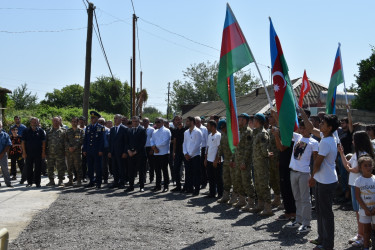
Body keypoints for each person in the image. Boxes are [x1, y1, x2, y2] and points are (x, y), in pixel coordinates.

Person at [302, 110, 340, 250]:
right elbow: (311, 128)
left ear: (329, 128)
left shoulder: (327, 141)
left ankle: (328, 244)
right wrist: (303, 114)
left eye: (323, 123)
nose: (320, 124)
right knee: (319, 210)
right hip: (323, 179)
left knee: (326, 213)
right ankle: (321, 238)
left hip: (326, 181)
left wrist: (312, 177)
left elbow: (318, 162)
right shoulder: (328, 136)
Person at [338, 130, 375, 247]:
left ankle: (362, 236)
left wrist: (347, 165)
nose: (352, 141)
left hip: (359, 185)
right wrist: (342, 153)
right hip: (355, 184)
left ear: (358, 141)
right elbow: (347, 165)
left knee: (360, 212)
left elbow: (352, 169)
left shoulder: (362, 154)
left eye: (354, 139)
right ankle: (361, 234)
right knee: (358, 211)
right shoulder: (357, 153)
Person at [284, 118, 318, 233]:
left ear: (310, 130)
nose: (302, 130)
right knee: (297, 198)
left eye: (304, 128)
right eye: (301, 128)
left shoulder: (314, 142)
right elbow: (284, 128)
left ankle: (307, 223)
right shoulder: (298, 137)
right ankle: (298, 220)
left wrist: (313, 176)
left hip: (304, 173)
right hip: (293, 171)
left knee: (305, 199)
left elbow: (316, 160)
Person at [271, 110, 296, 221]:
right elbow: (281, 126)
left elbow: (281, 147)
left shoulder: (290, 136)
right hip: (284, 164)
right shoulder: (288, 132)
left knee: (287, 189)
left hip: (288, 166)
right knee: (284, 189)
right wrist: (276, 116)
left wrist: (276, 136)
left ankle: (291, 212)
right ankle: (289, 211)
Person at [250, 113, 273, 216]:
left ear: (258, 121)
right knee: (258, 185)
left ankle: (268, 208)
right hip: (256, 163)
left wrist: (267, 154)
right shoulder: (255, 133)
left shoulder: (262, 134)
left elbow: (264, 150)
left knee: (264, 185)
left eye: (254, 120)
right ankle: (260, 204)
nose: (252, 122)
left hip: (262, 163)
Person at [233, 113, 255, 211]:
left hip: (244, 161)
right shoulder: (239, 132)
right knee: (238, 181)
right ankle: (242, 200)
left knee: (246, 181)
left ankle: (251, 202)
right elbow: (236, 147)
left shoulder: (248, 132)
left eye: (239, 120)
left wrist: (244, 162)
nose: (238, 122)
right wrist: (233, 159)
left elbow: (248, 148)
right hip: (238, 160)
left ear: (244, 121)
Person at [354, 156, 375, 250]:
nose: (368, 168)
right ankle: (366, 246)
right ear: (360, 167)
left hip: (374, 209)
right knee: (366, 230)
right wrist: (366, 209)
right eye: (365, 166)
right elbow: (358, 197)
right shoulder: (358, 181)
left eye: (370, 165)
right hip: (364, 210)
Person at [82, 111, 105, 189]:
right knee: (90, 167)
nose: (92, 119)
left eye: (94, 118)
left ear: (97, 119)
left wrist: (101, 150)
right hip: (89, 150)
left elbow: (102, 140)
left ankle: (98, 182)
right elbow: (86, 140)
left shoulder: (100, 127)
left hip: (97, 151)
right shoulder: (88, 127)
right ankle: (91, 181)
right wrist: (84, 149)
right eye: (91, 118)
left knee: (98, 167)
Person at [21, 117, 46, 188]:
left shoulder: (41, 131)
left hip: (38, 152)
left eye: (35, 122)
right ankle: (29, 182)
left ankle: (37, 183)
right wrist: (24, 152)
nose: (34, 123)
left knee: (38, 168)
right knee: (29, 168)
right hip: (28, 153)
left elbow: (44, 142)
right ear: (30, 123)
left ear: (38, 123)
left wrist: (43, 152)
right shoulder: (25, 131)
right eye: (32, 122)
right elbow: (23, 142)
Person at [125, 116, 147, 192]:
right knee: (130, 171)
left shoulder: (142, 130)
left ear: (139, 122)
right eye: (133, 121)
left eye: (136, 121)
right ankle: (131, 186)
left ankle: (141, 186)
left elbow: (142, 143)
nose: (134, 123)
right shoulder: (129, 130)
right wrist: (128, 150)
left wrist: (135, 152)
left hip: (140, 154)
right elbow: (126, 142)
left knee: (141, 171)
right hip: (130, 154)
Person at [182, 116, 202, 195]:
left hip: (195, 155)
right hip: (187, 155)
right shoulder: (186, 132)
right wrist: (185, 153)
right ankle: (189, 188)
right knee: (188, 173)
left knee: (196, 173)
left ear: (192, 122)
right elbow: (184, 143)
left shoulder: (198, 132)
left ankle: (196, 190)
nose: (186, 123)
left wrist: (190, 154)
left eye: (187, 121)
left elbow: (197, 144)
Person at [217, 119, 235, 203]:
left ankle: (235, 197)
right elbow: (220, 146)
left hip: (232, 160)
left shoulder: (232, 135)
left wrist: (233, 159)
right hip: (226, 160)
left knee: (234, 179)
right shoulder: (223, 135)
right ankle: (226, 196)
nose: (221, 130)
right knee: (226, 179)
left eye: (222, 128)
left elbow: (235, 149)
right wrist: (219, 155)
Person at [151, 118, 171, 192]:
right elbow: (151, 140)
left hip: (164, 153)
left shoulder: (166, 130)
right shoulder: (155, 131)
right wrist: (154, 147)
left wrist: (155, 147)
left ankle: (166, 186)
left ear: (162, 122)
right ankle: (158, 186)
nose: (157, 123)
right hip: (156, 153)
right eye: (156, 122)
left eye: (158, 122)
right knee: (157, 170)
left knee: (164, 170)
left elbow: (165, 141)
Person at [45, 117, 67, 187]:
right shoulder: (48, 131)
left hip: (60, 152)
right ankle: (51, 181)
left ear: (60, 121)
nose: (55, 122)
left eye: (57, 121)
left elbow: (66, 142)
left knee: (60, 167)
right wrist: (45, 152)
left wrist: (66, 151)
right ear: (52, 122)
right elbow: (45, 142)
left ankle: (60, 181)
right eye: (54, 121)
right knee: (50, 167)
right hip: (50, 153)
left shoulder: (63, 131)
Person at [108, 114, 128, 189]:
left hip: (121, 152)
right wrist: (109, 151)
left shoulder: (124, 129)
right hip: (113, 152)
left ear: (120, 119)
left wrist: (125, 152)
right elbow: (110, 141)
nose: (115, 120)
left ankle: (122, 182)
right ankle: (115, 182)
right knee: (114, 168)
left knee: (121, 168)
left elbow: (126, 142)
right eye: (114, 118)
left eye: (116, 118)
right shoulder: (112, 129)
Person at [204, 120, 223, 198]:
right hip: (209, 159)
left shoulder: (218, 135)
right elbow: (208, 147)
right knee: (211, 177)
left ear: (213, 126)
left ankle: (220, 194)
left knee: (218, 178)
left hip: (216, 161)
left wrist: (216, 160)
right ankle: (212, 193)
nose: (207, 127)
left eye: (208, 126)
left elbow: (219, 148)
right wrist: (205, 158)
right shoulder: (209, 135)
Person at [65, 117, 85, 187]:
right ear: (71, 122)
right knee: (69, 167)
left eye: (75, 122)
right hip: (69, 152)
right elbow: (65, 141)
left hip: (77, 152)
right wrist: (69, 147)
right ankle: (70, 181)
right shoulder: (68, 131)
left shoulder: (81, 131)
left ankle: (79, 181)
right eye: (72, 121)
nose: (74, 123)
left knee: (78, 167)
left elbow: (81, 140)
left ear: (78, 122)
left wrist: (74, 147)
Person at [267, 113, 281, 208]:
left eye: (271, 116)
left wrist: (279, 159)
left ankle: (284, 200)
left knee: (279, 179)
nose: (269, 118)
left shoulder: (279, 130)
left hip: (277, 159)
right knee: (272, 180)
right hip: (270, 159)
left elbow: (282, 145)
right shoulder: (269, 130)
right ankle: (277, 198)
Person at [171, 115, 187, 192]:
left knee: (187, 169)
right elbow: (174, 142)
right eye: (176, 120)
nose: (177, 121)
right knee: (176, 169)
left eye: (179, 119)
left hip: (185, 152)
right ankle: (178, 186)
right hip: (177, 152)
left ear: (181, 120)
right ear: (174, 121)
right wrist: (173, 152)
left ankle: (186, 186)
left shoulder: (186, 129)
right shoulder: (175, 130)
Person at [195, 116, 208, 189]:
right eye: (196, 122)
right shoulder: (194, 129)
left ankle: (204, 182)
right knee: (197, 166)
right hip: (196, 148)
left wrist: (206, 151)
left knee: (203, 166)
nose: (197, 124)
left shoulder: (204, 129)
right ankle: (198, 181)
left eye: (198, 122)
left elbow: (206, 140)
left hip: (203, 148)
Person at [0, 121, 13, 187]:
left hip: (3, 154)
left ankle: (8, 183)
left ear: (1, 126)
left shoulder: (5, 135)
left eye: (0, 125)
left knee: (5, 169)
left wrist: (2, 153)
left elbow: (8, 145)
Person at [98, 118, 111, 184]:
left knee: (104, 165)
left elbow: (109, 141)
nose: (100, 123)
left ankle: (105, 178)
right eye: (99, 122)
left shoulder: (107, 130)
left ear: (104, 123)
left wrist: (109, 151)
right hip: (97, 149)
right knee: (97, 165)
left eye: (102, 122)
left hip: (105, 149)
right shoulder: (96, 129)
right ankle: (98, 178)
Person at [144, 118, 155, 183]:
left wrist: (152, 149)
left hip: (150, 148)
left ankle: (151, 178)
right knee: (143, 164)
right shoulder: (141, 129)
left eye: (146, 121)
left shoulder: (152, 129)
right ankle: (143, 178)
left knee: (151, 164)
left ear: (149, 122)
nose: (145, 122)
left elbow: (153, 139)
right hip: (143, 148)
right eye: (144, 121)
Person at [78, 116, 88, 182]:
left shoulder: (87, 128)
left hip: (85, 148)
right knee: (76, 163)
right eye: (80, 121)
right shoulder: (76, 128)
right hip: (77, 148)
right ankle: (77, 177)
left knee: (84, 163)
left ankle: (84, 176)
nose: (81, 122)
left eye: (83, 121)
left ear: (85, 122)